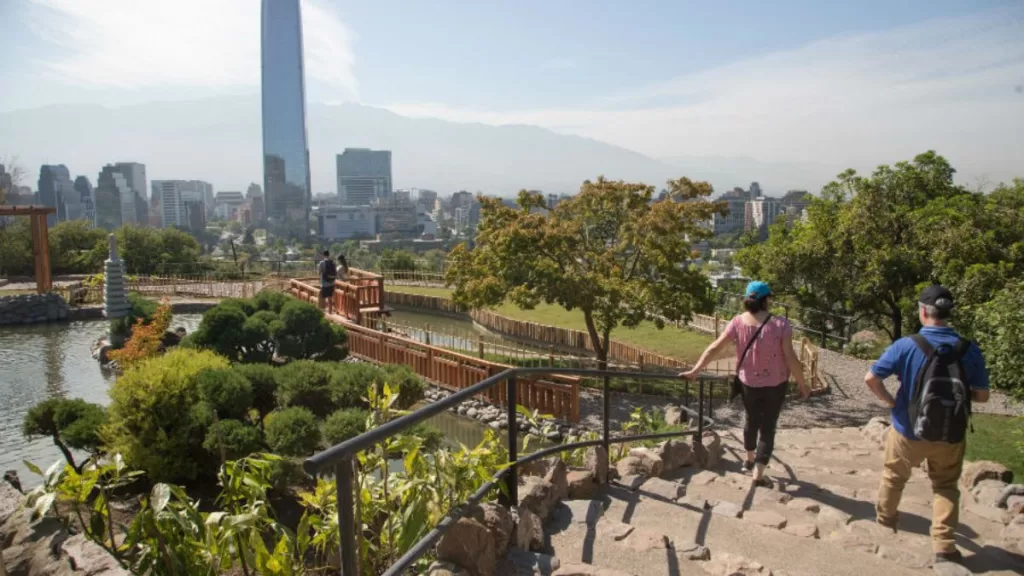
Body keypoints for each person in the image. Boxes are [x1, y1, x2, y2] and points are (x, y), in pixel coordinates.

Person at [864, 285, 989, 565]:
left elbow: (871, 378)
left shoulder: (906, 345)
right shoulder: (968, 349)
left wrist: (891, 402)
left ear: (922, 311)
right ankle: (944, 546)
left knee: (893, 477)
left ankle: (886, 521)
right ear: (948, 312)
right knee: (946, 486)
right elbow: (982, 396)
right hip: (950, 434)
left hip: (907, 429)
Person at [681, 281, 810, 485]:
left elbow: (715, 348)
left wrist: (695, 370)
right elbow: (790, 357)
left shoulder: (737, 322)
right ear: (766, 300)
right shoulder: (780, 325)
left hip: (748, 383)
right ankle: (758, 472)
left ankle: (749, 459)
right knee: (768, 427)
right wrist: (802, 384)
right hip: (776, 384)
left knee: (751, 419)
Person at [317, 250, 337, 314]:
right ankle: (330, 313)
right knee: (330, 299)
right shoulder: (333, 262)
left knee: (322, 298)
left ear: (323, 255)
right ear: (329, 254)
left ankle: (323, 313)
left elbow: (319, 273)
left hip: (324, 284)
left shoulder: (322, 263)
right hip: (332, 283)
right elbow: (335, 272)